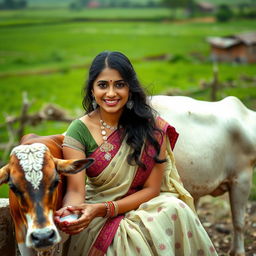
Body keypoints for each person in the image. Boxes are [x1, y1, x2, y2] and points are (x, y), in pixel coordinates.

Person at [54, 51, 217, 256]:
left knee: (176, 208)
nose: (111, 93)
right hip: (95, 211)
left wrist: (108, 208)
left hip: (143, 204)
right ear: (92, 89)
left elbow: (152, 189)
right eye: (103, 85)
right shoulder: (78, 130)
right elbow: (76, 190)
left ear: (130, 88)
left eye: (119, 84)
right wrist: (72, 213)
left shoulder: (152, 128)